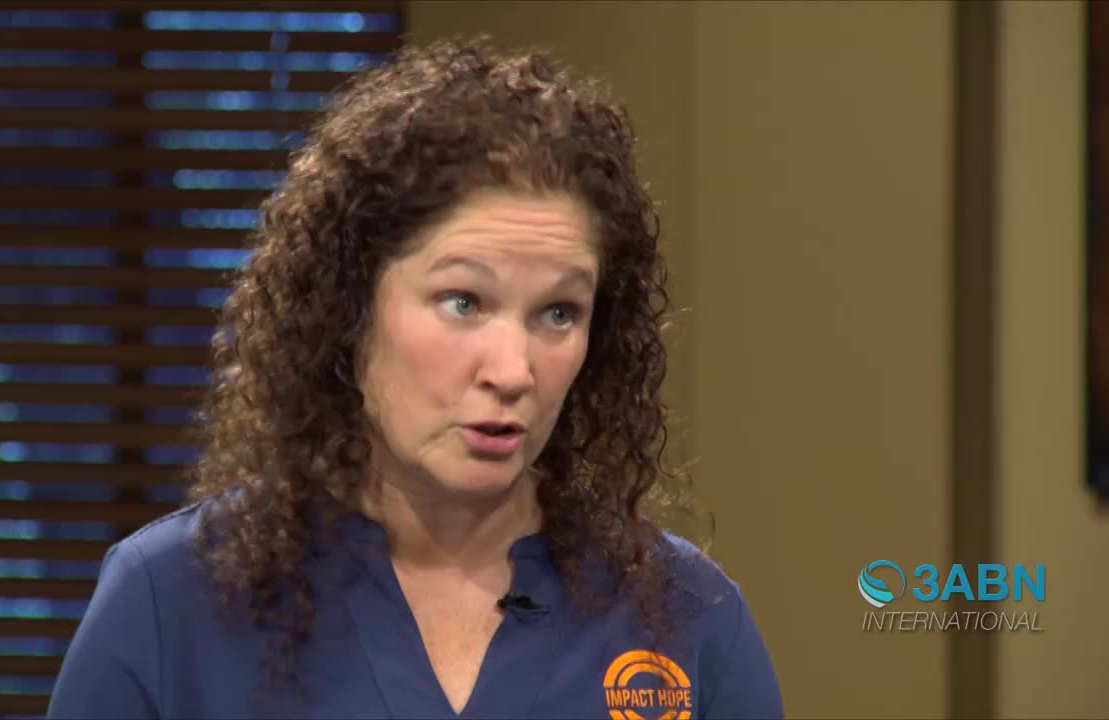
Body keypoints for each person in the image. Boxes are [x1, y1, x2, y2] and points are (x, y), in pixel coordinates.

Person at [47, 37, 782, 719]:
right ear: (349, 306)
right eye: (463, 302)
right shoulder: (171, 602)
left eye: (559, 313)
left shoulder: (687, 620)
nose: (513, 370)